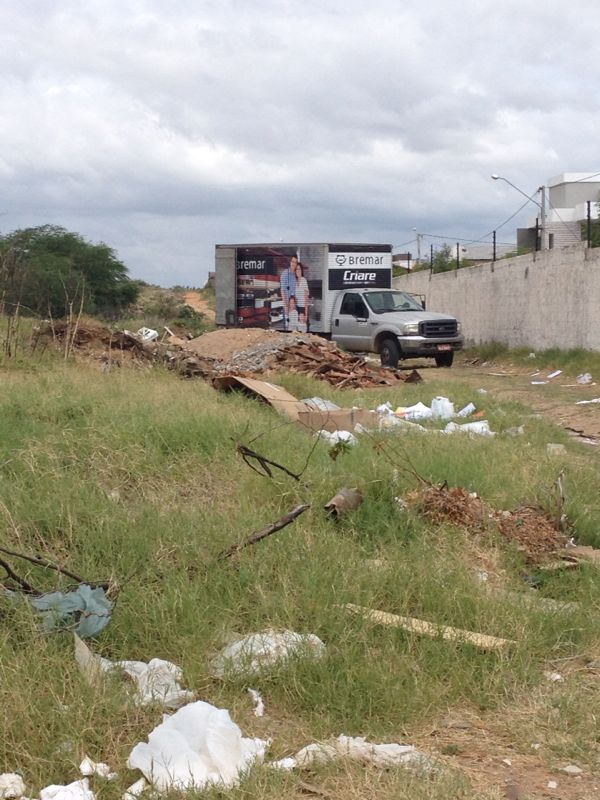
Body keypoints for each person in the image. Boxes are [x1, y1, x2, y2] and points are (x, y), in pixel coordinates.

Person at [279, 254, 298, 327]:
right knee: (288, 326)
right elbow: (282, 290)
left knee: (295, 325)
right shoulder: (285, 274)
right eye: (292, 262)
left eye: (295, 262)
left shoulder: (296, 274)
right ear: (290, 262)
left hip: (295, 305)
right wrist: (285, 305)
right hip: (287, 304)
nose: (294, 264)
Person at [294, 261, 310, 330]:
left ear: (301, 270)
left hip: (303, 307)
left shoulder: (304, 280)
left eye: (299, 269)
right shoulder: (295, 281)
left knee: (304, 327)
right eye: (296, 269)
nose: (298, 271)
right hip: (297, 307)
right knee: (298, 327)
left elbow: (306, 298)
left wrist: (306, 313)